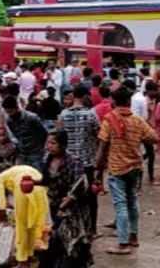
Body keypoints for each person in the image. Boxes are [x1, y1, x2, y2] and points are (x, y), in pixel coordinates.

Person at [95, 88, 159, 255]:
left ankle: (122, 244)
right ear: (129, 102)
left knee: (120, 206)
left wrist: (98, 172)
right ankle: (134, 237)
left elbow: (102, 148)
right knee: (133, 202)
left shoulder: (109, 119)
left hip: (116, 168)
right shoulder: (137, 120)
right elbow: (154, 137)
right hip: (135, 167)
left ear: (114, 102)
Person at [39, 130, 93, 268]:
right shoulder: (47, 159)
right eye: (48, 143)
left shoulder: (74, 161)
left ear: (62, 144)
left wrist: (63, 207)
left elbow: (79, 186)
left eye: (53, 143)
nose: (49, 146)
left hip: (73, 208)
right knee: (57, 238)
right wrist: (31, 182)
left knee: (71, 238)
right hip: (54, 204)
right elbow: (46, 180)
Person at [59, 85, 100, 233]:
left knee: (71, 194)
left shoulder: (63, 115)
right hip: (87, 162)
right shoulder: (91, 115)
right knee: (90, 197)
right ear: (84, 96)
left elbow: (60, 137)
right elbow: (99, 137)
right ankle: (92, 229)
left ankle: (73, 226)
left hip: (70, 162)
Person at [0, 165, 49, 268]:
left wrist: (0, 220)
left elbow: (1, 205)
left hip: (23, 185)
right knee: (31, 225)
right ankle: (29, 257)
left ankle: (22, 262)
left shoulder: (0, 178)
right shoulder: (19, 169)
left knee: (22, 226)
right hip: (39, 185)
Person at [3, 95, 48, 170]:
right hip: (22, 154)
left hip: (36, 154)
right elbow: (15, 136)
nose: (9, 114)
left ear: (17, 108)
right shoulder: (9, 120)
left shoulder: (32, 118)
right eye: (7, 112)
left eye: (11, 111)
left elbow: (44, 133)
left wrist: (41, 148)